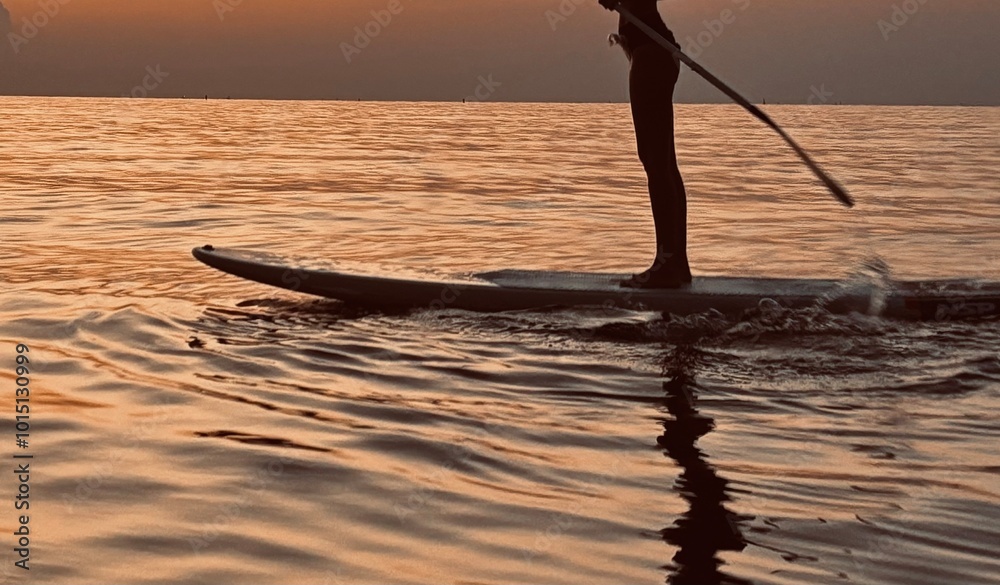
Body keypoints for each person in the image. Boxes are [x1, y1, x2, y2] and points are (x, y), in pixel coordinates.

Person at [602, 0, 691, 288]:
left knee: (656, 161)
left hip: (651, 54)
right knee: (663, 163)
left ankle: (667, 266)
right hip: (656, 51)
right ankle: (677, 264)